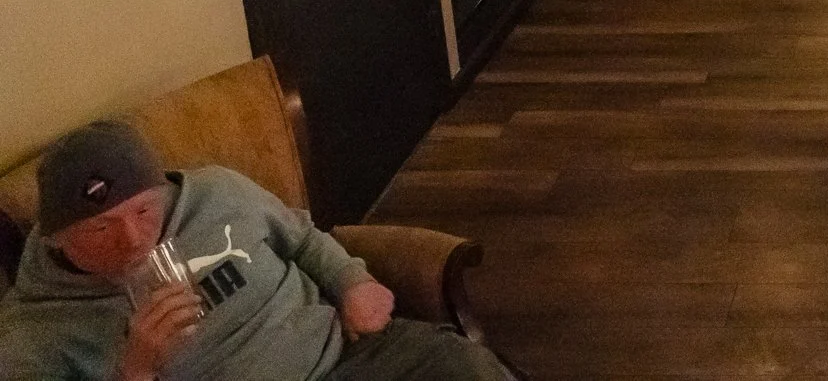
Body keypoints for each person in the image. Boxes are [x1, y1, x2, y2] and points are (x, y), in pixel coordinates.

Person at [0, 120, 506, 381]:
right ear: (56, 238)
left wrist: (353, 282)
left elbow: (304, 237)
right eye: (100, 229)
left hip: (348, 357)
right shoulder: (36, 330)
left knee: (467, 367)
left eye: (144, 212)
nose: (134, 239)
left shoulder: (218, 193)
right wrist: (138, 368)